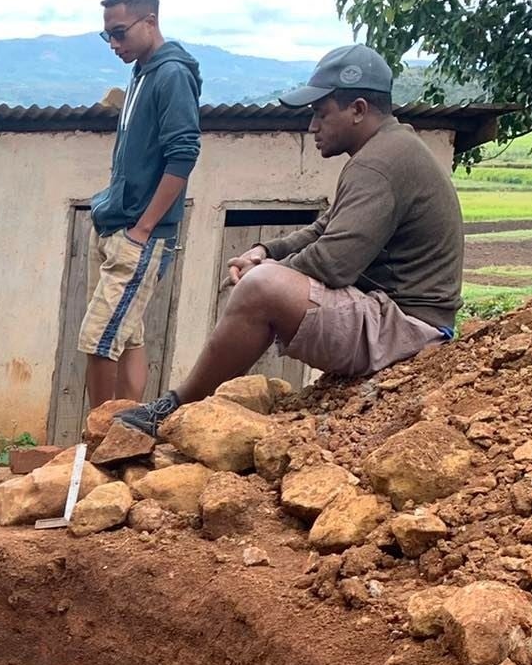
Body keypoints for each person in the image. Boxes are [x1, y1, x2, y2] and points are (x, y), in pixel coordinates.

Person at [116, 45, 463, 440]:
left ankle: (179, 408)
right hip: (402, 318)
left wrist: (265, 272)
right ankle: (185, 403)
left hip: (407, 330)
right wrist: (266, 251)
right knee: (265, 276)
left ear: (359, 109)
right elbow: (325, 229)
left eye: (321, 112)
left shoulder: (378, 163)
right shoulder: (388, 149)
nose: (313, 126)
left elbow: (335, 262)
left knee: (262, 288)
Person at [80, 0, 201, 411]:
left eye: (120, 32)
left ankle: (100, 436)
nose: (113, 43)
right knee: (128, 334)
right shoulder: (142, 72)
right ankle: (130, 431)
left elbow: (184, 156)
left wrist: (143, 229)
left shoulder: (171, 74)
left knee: (98, 338)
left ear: (149, 22)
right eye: (107, 34)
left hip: (143, 233)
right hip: (123, 225)